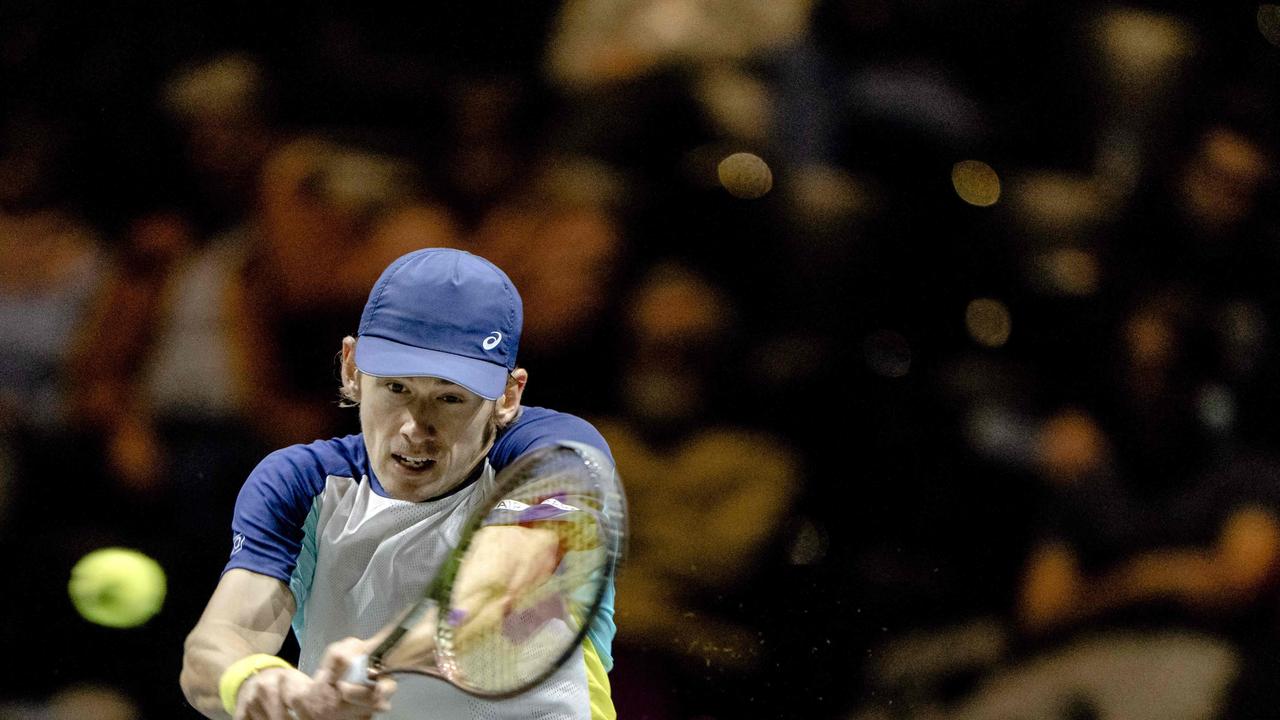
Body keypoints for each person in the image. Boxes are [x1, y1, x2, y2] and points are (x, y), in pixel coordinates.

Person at [180, 248, 618, 719]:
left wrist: (379, 656)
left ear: (509, 396)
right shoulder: (299, 484)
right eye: (396, 388)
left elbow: (504, 585)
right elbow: (214, 647)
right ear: (351, 367)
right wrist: (260, 685)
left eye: (450, 398)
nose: (415, 426)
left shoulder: (556, 451)